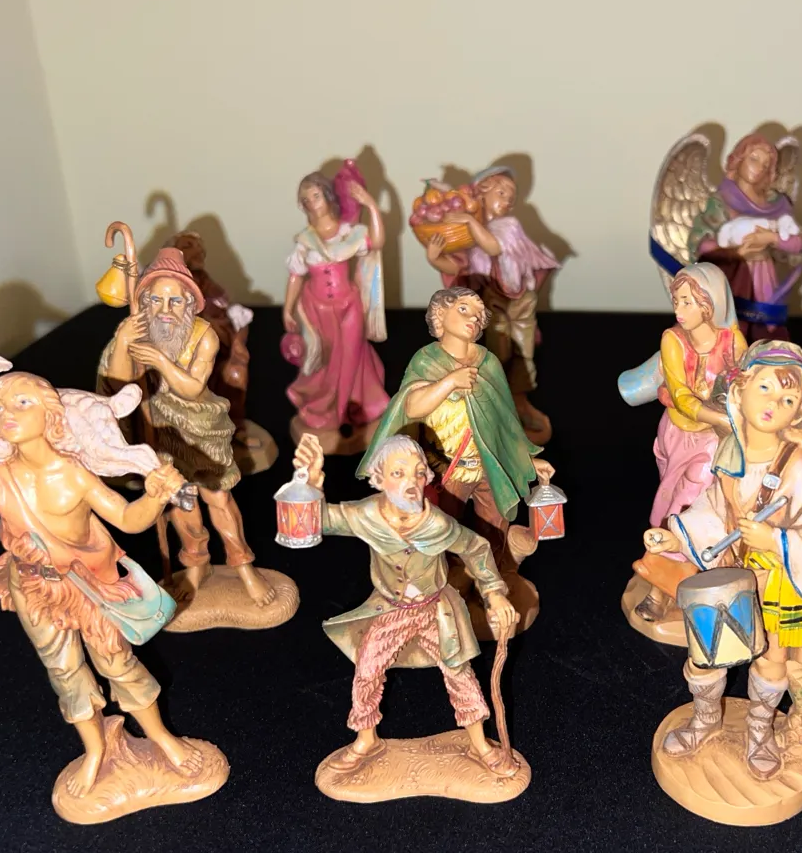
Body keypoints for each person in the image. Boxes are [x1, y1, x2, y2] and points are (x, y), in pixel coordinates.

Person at [0, 372, 201, 798]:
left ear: (51, 414)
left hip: (90, 586)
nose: (6, 414)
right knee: (64, 670)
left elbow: (127, 519)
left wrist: (155, 496)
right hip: (34, 587)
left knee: (117, 663)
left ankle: (161, 738)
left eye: (22, 403)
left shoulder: (74, 471)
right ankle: (95, 751)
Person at [638, 342, 802, 778]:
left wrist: (775, 539)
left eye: (788, 398)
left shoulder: (799, 467)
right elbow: (713, 506)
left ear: (800, 412)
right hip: (730, 574)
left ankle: (760, 730)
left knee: (772, 661)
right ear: (739, 390)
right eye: (765, 388)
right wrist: (676, 534)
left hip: (778, 582)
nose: (773, 404)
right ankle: (705, 718)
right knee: (705, 652)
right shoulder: (729, 454)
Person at [293, 431, 520, 776]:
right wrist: (310, 484)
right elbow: (321, 520)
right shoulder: (367, 515)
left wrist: (494, 592)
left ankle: (480, 744)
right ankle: (366, 740)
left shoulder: (437, 524)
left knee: (459, 672)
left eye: (417, 472)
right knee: (367, 669)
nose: (410, 482)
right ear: (379, 478)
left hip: (436, 610)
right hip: (390, 611)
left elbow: (475, 547)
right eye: (398, 473)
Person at [99, 247, 275, 606]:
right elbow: (117, 385)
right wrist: (123, 342)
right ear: (144, 301)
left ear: (190, 304)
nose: (165, 309)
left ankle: (243, 565)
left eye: (175, 301)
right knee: (181, 500)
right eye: (156, 300)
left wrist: (160, 361)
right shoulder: (136, 329)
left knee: (218, 497)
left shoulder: (203, 335)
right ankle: (197, 563)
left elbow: (192, 389)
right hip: (158, 429)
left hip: (200, 427)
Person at [358, 286, 553, 585]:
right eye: (463, 309)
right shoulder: (427, 360)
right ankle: (446, 582)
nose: (473, 317)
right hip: (445, 469)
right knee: (443, 528)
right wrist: (449, 382)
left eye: (478, 314)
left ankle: (491, 581)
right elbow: (411, 405)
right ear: (440, 314)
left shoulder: (488, 363)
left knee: (494, 526)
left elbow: (505, 423)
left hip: (488, 465)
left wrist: (527, 460)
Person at [425, 166, 559, 438]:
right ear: (481, 194)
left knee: (523, 353)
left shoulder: (507, 226)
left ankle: (519, 402)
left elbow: (493, 247)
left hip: (520, 302)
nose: (508, 201)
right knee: (497, 354)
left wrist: (468, 220)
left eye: (511, 196)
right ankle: (497, 404)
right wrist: (434, 257)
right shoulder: (469, 234)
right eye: (501, 193)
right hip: (492, 304)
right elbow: (457, 267)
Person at [282, 164, 391, 446]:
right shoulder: (306, 240)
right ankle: (329, 409)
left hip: (348, 305)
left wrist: (371, 205)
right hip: (317, 309)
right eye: (305, 199)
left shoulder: (348, 233)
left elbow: (377, 241)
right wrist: (287, 308)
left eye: (315, 195)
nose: (311, 202)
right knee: (328, 360)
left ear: (328, 196)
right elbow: (296, 275)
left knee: (350, 354)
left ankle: (344, 413)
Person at [648, 262, 747, 526]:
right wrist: (719, 419)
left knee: (713, 481)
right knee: (683, 487)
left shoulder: (733, 341)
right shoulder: (673, 341)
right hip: (682, 429)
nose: (678, 311)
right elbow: (680, 396)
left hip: (720, 433)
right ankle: (673, 532)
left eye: (687, 302)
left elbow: (744, 386)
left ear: (709, 303)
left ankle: (703, 532)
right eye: (676, 302)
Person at [687, 133, 802, 342]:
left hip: (765, 275)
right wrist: (736, 253)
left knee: (766, 330)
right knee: (733, 330)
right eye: (754, 159)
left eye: (766, 165)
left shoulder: (777, 203)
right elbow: (700, 244)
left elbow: (799, 244)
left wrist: (771, 238)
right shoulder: (721, 201)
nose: (759, 167)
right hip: (733, 274)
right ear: (738, 160)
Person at [168, 230, 256, 449]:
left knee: (236, 374)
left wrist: (237, 343)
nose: (198, 251)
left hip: (218, 356)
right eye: (188, 246)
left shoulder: (206, 283)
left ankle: (235, 427)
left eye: (199, 247)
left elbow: (234, 315)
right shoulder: (167, 287)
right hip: (185, 362)